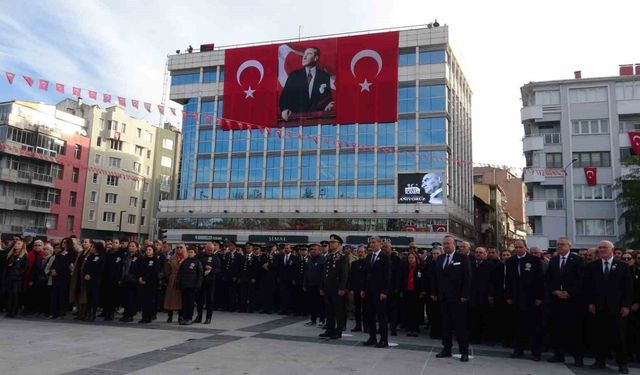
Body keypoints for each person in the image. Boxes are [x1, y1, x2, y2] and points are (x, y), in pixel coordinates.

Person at [584, 240, 633, 374]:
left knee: (619, 337)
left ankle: (622, 364)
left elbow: (628, 288)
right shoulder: (592, 266)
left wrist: (626, 305)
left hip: (617, 308)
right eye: (599, 248)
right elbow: (589, 287)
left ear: (612, 249)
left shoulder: (622, 266)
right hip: (598, 307)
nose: (602, 249)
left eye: (604, 247)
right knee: (599, 336)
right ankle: (600, 361)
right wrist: (590, 303)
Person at [545, 237, 585, 367]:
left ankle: (577, 358)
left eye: (562, 244)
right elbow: (548, 279)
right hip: (556, 301)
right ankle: (559, 354)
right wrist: (555, 291)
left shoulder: (578, 260)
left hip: (572, 302)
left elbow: (581, 280)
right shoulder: (554, 260)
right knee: (558, 329)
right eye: (558, 245)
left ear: (569, 246)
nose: (559, 247)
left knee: (574, 331)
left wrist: (570, 292)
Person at [431, 235, 471, 362]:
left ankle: (464, 351)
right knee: (445, 325)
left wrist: (465, 295)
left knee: (460, 326)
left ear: (454, 245)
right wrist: (434, 292)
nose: (446, 245)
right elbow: (436, 277)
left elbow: (467, 278)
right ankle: (446, 349)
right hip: (443, 298)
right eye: (444, 243)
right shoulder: (440, 258)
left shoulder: (462, 258)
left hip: (458, 298)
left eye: (448, 243)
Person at [505, 239, 544, 361]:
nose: (517, 249)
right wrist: (508, 296)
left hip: (531, 299)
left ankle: (536, 352)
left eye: (520, 247)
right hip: (516, 298)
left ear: (525, 247)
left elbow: (540, 280)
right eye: (515, 247)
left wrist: (539, 297)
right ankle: (518, 350)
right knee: (518, 326)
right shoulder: (510, 261)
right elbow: (507, 280)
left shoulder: (534, 260)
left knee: (534, 327)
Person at [279, 46, 334, 121]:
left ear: (316, 57)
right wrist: (285, 109)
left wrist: (328, 104)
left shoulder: (324, 76)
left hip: (317, 120)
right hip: (296, 120)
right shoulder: (294, 75)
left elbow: (326, 97)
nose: (304, 57)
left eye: (308, 54)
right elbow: (285, 97)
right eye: (304, 54)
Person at [362, 236, 392, 348]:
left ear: (379, 244)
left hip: (380, 292)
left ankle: (384, 340)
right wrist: (363, 289)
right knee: (370, 315)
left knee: (381, 317)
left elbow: (387, 276)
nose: (372, 244)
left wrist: (384, 291)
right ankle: (372, 337)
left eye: (374, 242)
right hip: (369, 291)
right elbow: (366, 275)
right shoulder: (369, 256)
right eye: (371, 243)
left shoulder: (384, 257)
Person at [319, 234, 349, 340]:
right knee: (329, 311)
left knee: (338, 311)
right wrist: (322, 287)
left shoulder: (342, 257)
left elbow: (344, 274)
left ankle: (338, 331)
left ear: (339, 244)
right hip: (328, 288)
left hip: (337, 289)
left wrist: (342, 288)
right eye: (330, 242)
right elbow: (324, 273)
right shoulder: (329, 256)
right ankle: (329, 330)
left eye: (333, 242)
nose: (330, 244)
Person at [469, 247, 495, 344]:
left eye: (481, 252)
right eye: (476, 252)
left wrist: (491, 294)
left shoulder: (490, 266)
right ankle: (474, 337)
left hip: (485, 296)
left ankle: (487, 338)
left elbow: (493, 282)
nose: (478, 254)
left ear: (485, 254)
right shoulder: (470, 264)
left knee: (486, 317)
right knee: (473, 317)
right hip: (473, 295)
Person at [48, 238, 74, 319]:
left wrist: (58, 271)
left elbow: (68, 264)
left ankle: (61, 313)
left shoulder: (72, 253)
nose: (63, 244)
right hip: (56, 277)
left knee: (62, 296)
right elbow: (54, 263)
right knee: (54, 295)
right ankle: (53, 312)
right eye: (63, 242)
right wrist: (52, 270)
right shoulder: (59, 253)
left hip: (64, 277)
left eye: (65, 243)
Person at [196, 242, 221, 324]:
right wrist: (204, 267)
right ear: (205, 249)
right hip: (201, 280)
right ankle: (199, 317)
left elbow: (218, 269)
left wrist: (211, 269)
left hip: (211, 281)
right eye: (209, 250)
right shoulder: (200, 256)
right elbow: (197, 266)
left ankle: (208, 318)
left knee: (210, 299)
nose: (210, 251)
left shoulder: (215, 257)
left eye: (212, 250)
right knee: (199, 299)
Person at [177, 247, 203, 326]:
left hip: (192, 286)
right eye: (189, 252)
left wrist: (198, 285)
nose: (190, 253)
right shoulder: (184, 262)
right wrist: (179, 283)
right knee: (184, 303)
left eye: (192, 252)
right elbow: (180, 274)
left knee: (190, 303)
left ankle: (189, 318)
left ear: (195, 253)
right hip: (184, 285)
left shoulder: (197, 262)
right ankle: (184, 317)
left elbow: (200, 275)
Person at [401, 252, 424, 337]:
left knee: (416, 311)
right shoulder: (405, 268)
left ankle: (415, 328)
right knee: (408, 310)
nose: (411, 259)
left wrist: (422, 291)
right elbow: (402, 280)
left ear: (416, 259)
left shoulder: (420, 268)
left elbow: (422, 281)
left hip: (416, 292)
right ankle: (409, 328)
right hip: (407, 292)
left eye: (412, 258)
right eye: (409, 258)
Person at [136, 246, 161, 324]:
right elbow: (139, 269)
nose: (148, 251)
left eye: (150, 250)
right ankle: (144, 317)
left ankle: (149, 317)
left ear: (153, 251)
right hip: (142, 283)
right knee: (143, 301)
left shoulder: (156, 260)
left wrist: (145, 279)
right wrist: (140, 278)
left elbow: (154, 272)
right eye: (147, 250)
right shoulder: (143, 259)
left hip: (151, 283)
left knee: (149, 301)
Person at [3, 238, 28, 317]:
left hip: (17, 279)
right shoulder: (11, 254)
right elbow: (6, 265)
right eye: (16, 243)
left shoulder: (24, 256)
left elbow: (25, 267)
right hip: (10, 277)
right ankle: (9, 311)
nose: (16, 245)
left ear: (22, 246)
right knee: (10, 294)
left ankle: (14, 311)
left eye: (19, 244)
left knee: (15, 294)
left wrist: (18, 273)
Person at [82, 241, 105, 321]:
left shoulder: (102, 257)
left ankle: (93, 313)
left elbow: (100, 269)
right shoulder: (90, 256)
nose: (91, 249)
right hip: (88, 280)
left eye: (93, 247)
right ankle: (87, 312)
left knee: (95, 297)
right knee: (89, 297)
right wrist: (86, 274)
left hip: (96, 280)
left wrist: (91, 275)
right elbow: (85, 266)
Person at [303, 243, 325, 326]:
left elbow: (323, 275)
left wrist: (323, 286)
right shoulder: (309, 259)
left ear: (319, 250)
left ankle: (322, 320)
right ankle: (313, 320)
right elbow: (306, 273)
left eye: (315, 249)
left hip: (319, 286)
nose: (313, 251)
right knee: (311, 303)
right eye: (311, 249)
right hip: (310, 285)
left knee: (321, 304)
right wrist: (305, 284)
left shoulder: (323, 259)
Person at [164, 244, 185, 323]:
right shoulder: (172, 258)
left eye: (181, 247)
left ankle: (180, 316)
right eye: (177, 247)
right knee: (170, 298)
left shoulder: (186, 258)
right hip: (172, 279)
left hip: (182, 280)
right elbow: (167, 269)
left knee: (181, 299)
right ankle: (170, 316)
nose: (179, 249)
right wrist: (169, 277)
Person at [348, 246, 367, 332]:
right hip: (356, 289)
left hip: (365, 290)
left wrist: (365, 289)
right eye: (359, 252)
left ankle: (366, 326)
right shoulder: (354, 263)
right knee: (357, 309)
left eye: (362, 252)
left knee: (366, 309)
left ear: (365, 253)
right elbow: (351, 277)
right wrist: (351, 288)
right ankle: (358, 325)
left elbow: (368, 277)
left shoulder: (368, 263)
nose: (360, 253)